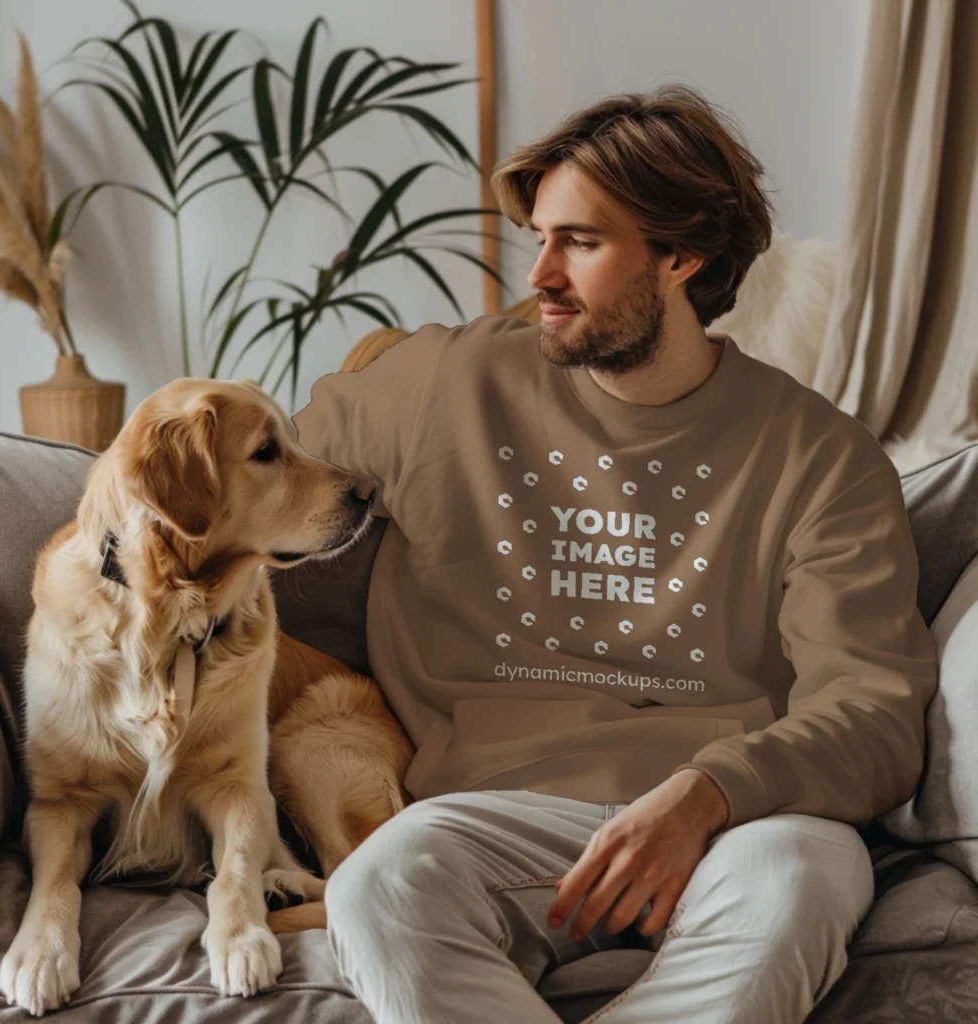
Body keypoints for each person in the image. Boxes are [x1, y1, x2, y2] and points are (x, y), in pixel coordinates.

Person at [290, 84, 938, 1024]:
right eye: (541, 238)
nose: (542, 275)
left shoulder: (820, 456)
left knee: (799, 876)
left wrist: (712, 791)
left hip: (742, 824)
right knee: (380, 883)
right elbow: (249, 472)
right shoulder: (443, 384)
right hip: (498, 814)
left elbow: (875, 715)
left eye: (581, 244)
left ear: (683, 256)